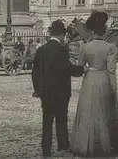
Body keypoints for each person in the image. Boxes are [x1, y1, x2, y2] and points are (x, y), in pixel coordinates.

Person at [70, 11, 118, 157]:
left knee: (89, 110)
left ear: (92, 30)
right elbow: (111, 71)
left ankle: (88, 143)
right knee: (108, 112)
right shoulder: (110, 47)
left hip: (89, 79)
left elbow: (80, 66)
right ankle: (113, 142)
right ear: (105, 30)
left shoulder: (85, 47)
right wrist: (113, 87)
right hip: (104, 79)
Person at [32, 20, 84, 157]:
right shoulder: (62, 50)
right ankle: (63, 145)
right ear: (62, 34)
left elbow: (35, 73)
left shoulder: (41, 50)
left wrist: (38, 89)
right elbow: (67, 68)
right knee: (61, 119)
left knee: (47, 121)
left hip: (46, 92)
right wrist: (81, 70)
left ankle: (46, 149)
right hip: (61, 91)